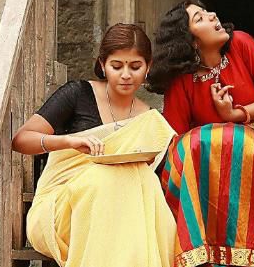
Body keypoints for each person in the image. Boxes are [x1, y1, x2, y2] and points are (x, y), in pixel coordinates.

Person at [147, 1, 254, 267]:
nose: (212, 15)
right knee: (194, 144)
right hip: (210, 173)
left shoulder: (241, 43)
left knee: (235, 140)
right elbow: (175, 140)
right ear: (191, 41)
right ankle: (203, 248)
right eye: (200, 18)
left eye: (207, 11)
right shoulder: (181, 77)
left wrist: (236, 115)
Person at [12, 23, 176, 267]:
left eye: (135, 67)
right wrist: (68, 141)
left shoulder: (149, 119)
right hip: (64, 210)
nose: (126, 75)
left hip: (122, 215)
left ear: (148, 67)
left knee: (142, 177)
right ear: (102, 64)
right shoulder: (77, 94)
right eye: (116, 66)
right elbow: (21, 140)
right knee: (103, 178)